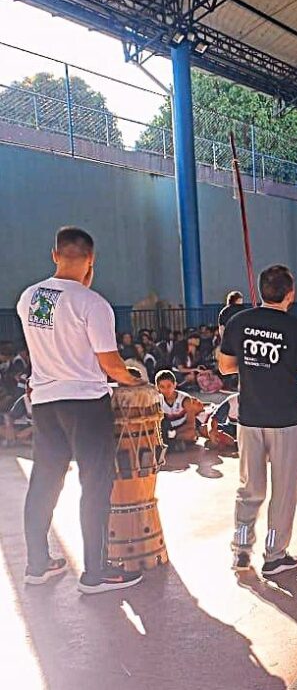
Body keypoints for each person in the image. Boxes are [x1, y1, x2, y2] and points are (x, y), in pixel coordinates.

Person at [17, 226, 146, 593]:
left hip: (45, 403)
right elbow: (111, 364)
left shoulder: (30, 297)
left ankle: (37, 564)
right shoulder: (92, 304)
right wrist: (133, 382)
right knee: (94, 484)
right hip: (86, 404)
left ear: (55, 254)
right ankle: (95, 572)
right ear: (91, 259)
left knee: (44, 482)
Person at [219, 264, 297, 577]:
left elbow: (225, 367)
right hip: (286, 422)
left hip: (249, 419)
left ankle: (241, 552)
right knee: (283, 493)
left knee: (249, 490)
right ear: (291, 293)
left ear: (261, 291)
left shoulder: (238, 321)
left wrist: (255, 365)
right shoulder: (296, 329)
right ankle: (274, 555)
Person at [155, 369, 203, 451]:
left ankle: (170, 443)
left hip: (181, 429)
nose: (166, 390)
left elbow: (191, 424)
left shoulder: (185, 399)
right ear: (157, 387)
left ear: (175, 385)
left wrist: (173, 433)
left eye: (169, 386)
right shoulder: (157, 400)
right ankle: (173, 444)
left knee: (191, 434)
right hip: (166, 429)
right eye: (162, 387)